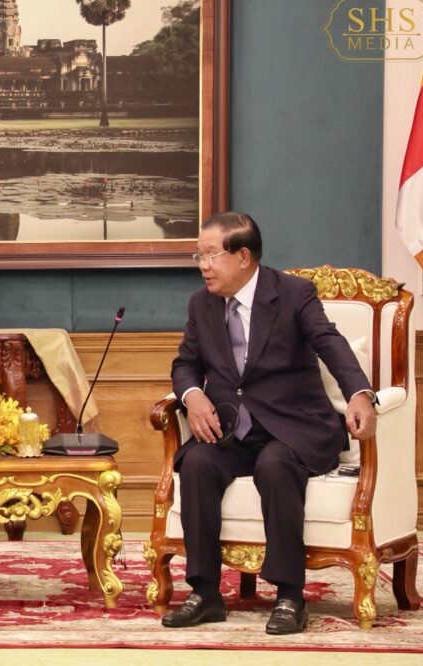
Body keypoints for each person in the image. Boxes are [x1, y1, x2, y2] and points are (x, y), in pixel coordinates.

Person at [162, 212, 376, 635]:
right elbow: (185, 364)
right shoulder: (201, 304)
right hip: (232, 430)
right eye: (198, 255)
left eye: (210, 255)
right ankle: (205, 593)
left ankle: (290, 596)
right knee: (199, 463)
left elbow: (329, 343)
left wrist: (359, 393)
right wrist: (193, 395)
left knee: (275, 465)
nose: (202, 265)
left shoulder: (293, 294)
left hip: (293, 425)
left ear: (243, 256)